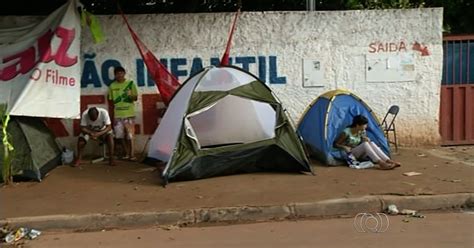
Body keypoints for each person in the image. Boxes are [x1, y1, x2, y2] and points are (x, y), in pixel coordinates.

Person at [334, 115, 401, 170]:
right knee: (365, 144)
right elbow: (336, 144)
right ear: (357, 125)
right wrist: (344, 147)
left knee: (370, 143)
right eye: (364, 125)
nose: (366, 126)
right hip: (350, 154)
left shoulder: (361, 131)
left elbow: (363, 142)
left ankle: (388, 160)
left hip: (359, 152)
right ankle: (381, 163)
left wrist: (366, 139)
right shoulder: (346, 132)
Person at [108, 66, 138, 161]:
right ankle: (126, 153)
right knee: (119, 136)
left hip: (129, 113)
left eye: (121, 73)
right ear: (115, 75)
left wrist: (130, 95)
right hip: (118, 114)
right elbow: (111, 100)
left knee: (130, 135)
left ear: (124, 73)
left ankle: (132, 155)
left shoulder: (131, 84)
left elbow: (135, 98)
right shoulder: (112, 86)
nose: (119, 75)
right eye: (117, 73)